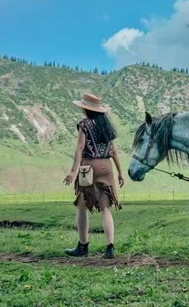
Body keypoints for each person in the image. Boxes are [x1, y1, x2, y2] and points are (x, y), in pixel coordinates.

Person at [63, 92, 125, 259]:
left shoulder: (84, 125)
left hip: (89, 167)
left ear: (85, 110)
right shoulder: (106, 126)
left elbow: (80, 149)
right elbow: (114, 151)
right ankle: (110, 247)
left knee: (82, 205)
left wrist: (72, 171)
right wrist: (120, 172)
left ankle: (83, 246)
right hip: (107, 167)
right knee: (105, 207)